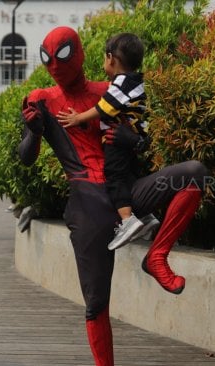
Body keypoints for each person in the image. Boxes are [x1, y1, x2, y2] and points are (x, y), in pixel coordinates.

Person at [19, 26, 208, 366]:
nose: (55, 65)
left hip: (124, 190)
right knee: (96, 302)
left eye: (62, 55)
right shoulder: (41, 100)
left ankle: (157, 256)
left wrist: (129, 139)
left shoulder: (111, 90)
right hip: (88, 201)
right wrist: (33, 133)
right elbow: (26, 157)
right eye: (48, 58)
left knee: (194, 174)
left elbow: (143, 141)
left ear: (82, 55)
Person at [57, 33, 159, 250]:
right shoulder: (136, 81)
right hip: (133, 138)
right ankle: (147, 217)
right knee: (130, 177)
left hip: (118, 140)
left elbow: (105, 107)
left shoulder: (121, 82)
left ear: (111, 58)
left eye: (105, 58)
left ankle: (127, 222)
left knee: (114, 177)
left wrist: (78, 118)